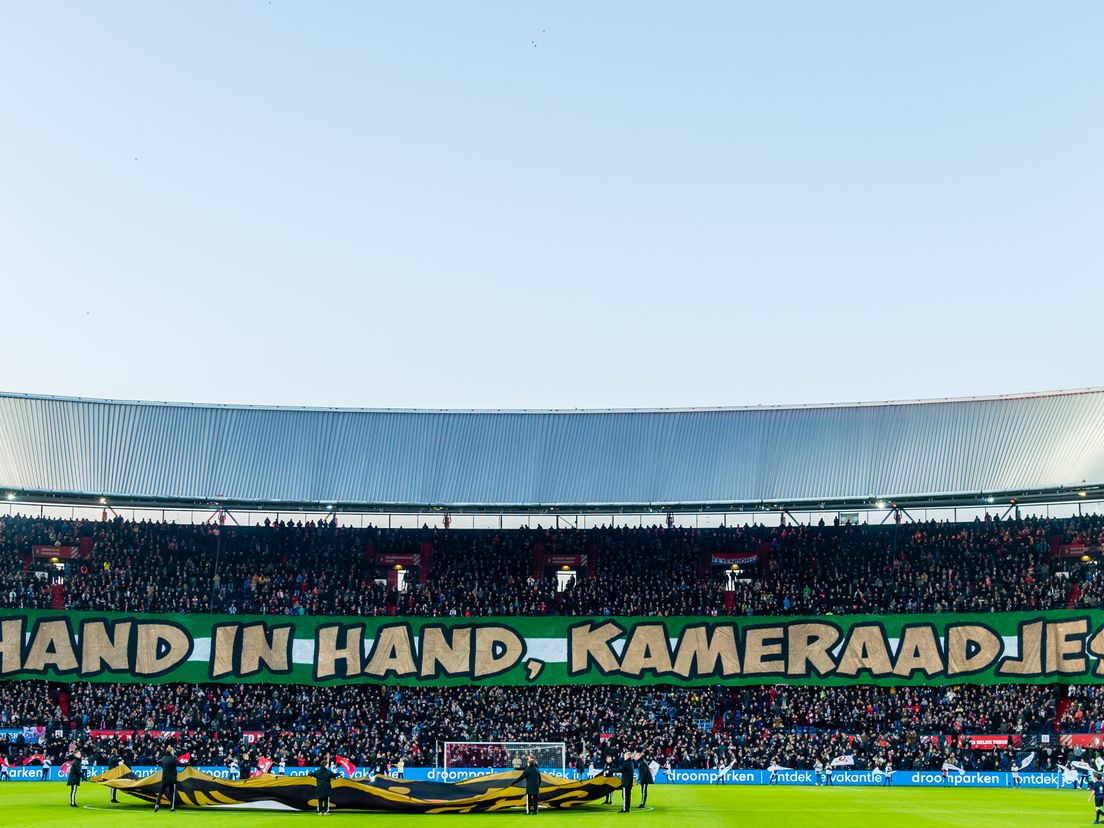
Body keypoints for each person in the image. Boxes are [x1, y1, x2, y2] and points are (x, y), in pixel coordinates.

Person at [153, 747, 187, 813]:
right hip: (172, 779)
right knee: (172, 793)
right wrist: (187, 764)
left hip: (164, 778)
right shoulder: (173, 759)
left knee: (161, 792)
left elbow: (161, 764)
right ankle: (172, 807)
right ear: (171, 751)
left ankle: (157, 804)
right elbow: (180, 765)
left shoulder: (163, 758)